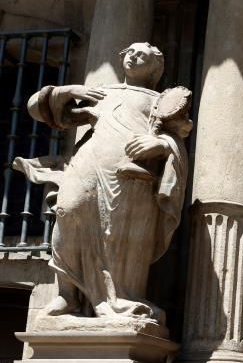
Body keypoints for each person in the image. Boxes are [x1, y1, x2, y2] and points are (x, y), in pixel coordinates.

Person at [17, 42, 191, 323]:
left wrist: (159, 143)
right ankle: (67, 293)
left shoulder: (157, 100)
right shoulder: (103, 92)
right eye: (130, 52)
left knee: (118, 235)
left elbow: (179, 142)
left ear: (156, 67)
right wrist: (68, 91)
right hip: (88, 163)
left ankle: (119, 297)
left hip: (128, 177)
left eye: (142, 55)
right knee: (68, 211)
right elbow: (37, 108)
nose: (133, 56)